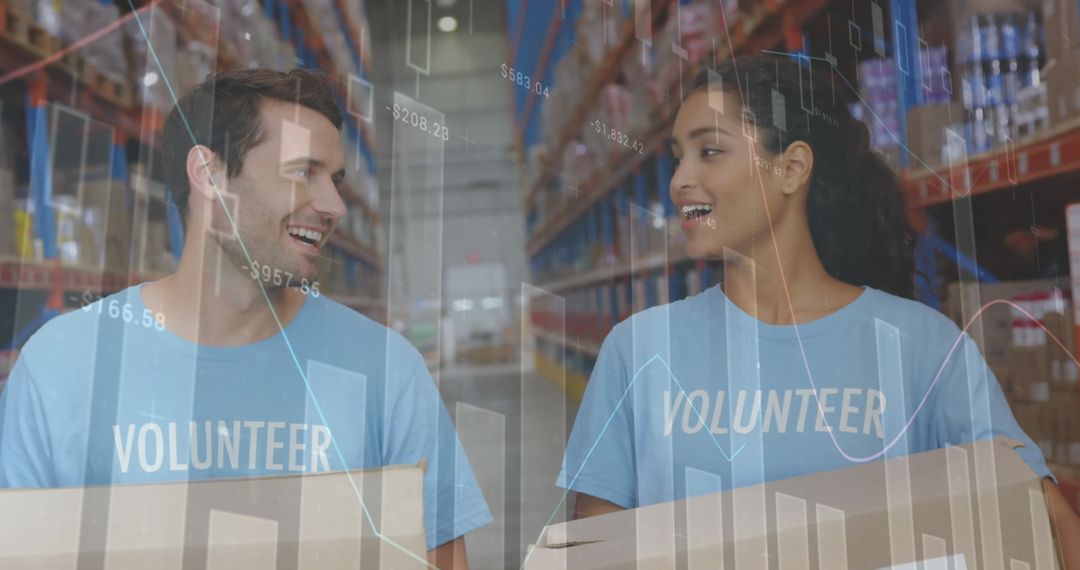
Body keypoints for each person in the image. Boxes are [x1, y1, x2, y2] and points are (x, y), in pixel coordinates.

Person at [558, 55, 1079, 558]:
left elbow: (1049, 523)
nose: (678, 183)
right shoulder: (639, 352)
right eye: (678, 158)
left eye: (709, 152)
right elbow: (598, 552)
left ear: (792, 168)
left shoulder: (922, 346)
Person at [0, 68, 490, 568]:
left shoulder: (386, 371)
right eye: (304, 172)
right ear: (211, 176)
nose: (334, 205)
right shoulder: (62, 365)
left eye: (336, 179)